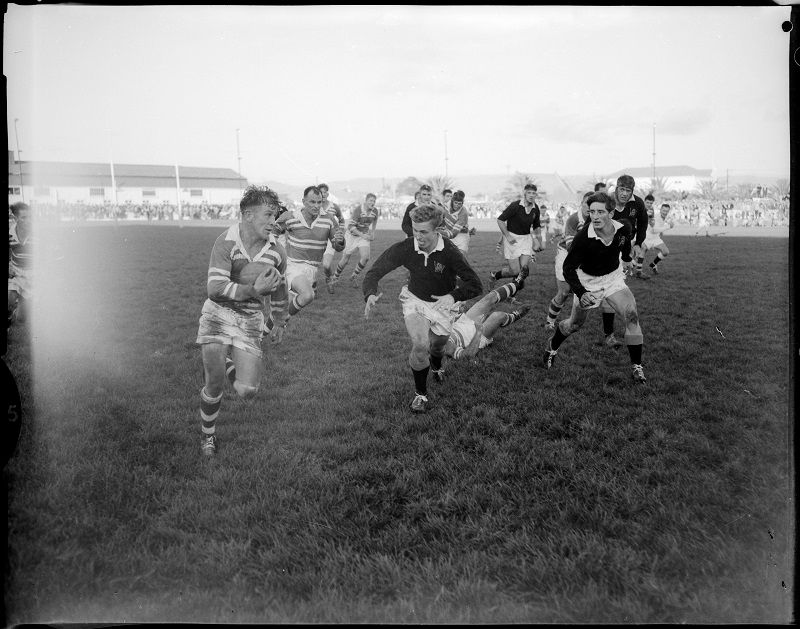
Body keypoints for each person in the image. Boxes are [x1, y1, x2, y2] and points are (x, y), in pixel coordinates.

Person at [195, 185, 288, 457]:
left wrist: (280, 321)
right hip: (218, 314)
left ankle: (229, 363)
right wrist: (253, 291)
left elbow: (281, 288)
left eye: (276, 215)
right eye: (268, 215)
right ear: (247, 215)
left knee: (247, 390)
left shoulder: (277, 251)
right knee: (214, 382)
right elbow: (214, 288)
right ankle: (207, 437)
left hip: (249, 320)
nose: (274, 221)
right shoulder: (226, 241)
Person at [363, 204, 482, 412]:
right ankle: (421, 395)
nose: (418, 236)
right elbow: (375, 271)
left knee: (437, 348)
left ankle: (436, 365)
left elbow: (475, 284)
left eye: (424, 231)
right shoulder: (407, 247)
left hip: (443, 306)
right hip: (415, 300)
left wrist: (452, 296)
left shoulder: (450, 253)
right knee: (420, 344)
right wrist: (370, 293)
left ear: (437, 229)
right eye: (415, 230)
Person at [542, 191, 647, 384]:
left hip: (613, 278)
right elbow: (568, 269)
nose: (595, 216)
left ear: (611, 213)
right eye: (592, 212)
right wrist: (581, 293)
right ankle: (552, 347)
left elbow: (623, 245)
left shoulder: (623, 228)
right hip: (588, 282)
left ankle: (637, 367)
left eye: (600, 212)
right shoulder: (583, 238)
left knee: (631, 315)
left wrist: (626, 259)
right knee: (574, 325)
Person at [268, 185, 345, 333]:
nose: (316, 206)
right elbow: (273, 231)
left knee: (280, 311)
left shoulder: (329, 220)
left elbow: (337, 246)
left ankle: (258, 337)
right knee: (308, 295)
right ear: (303, 201)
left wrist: (340, 241)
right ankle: (280, 322)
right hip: (292, 265)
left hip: (311, 271)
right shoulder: (290, 217)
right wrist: (273, 250)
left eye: (319, 202)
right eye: (312, 202)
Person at [444, 280, 530, 360]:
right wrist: (478, 330)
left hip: (462, 322)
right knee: (498, 316)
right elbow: (467, 355)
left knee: (490, 298)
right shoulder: (443, 343)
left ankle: (517, 283)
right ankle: (516, 315)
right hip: (474, 337)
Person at [544, 191, 591, 331]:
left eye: (592, 204)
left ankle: (573, 322)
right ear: (581, 204)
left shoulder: (597, 218)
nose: (589, 207)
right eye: (586, 204)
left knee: (582, 291)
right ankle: (549, 322)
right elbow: (571, 247)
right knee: (564, 292)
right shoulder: (573, 219)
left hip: (582, 255)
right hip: (566, 253)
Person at [489, 183, 543, 288]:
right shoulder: (515, 206)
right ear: (524, 193)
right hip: (512, 239)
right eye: (529, 193)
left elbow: (537, 226)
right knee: (514, 271)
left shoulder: (535, 208)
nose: (531, 195)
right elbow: (500, 220)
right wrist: (508, 236)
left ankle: (512, 295)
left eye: (534, 193)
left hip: (526, 239)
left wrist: (538, 240)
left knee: (524, 270)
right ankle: (494, 275)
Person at [331, 192, 380, 287]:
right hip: (351, 236)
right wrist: (362, 235)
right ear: (365, 201)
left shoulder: (375, 211)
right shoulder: (358, 210)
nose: (372, 203)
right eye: (370, 200)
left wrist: (373, 232)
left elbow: (375, 220)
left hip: (363, 235)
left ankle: (354, 276)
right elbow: (350, 226)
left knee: (365, 257)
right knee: (345, 259)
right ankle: (335, 277)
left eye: (374, 201)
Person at [318, 183, 346, 293]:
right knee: (313, 266)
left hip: (330, 239)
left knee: (326, 265)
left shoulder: (334, 207)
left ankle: (329, 280)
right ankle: (313, 286)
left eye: (325, 192)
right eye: (321, 192)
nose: (323, 194)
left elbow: (342, 220)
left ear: (328, 194)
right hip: (316, 239)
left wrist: (340, 232)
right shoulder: (315, 206)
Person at [8, 202, 33, 327]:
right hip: (15, 273)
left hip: (33, 276)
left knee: (21, 319)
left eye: (30, 217)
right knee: (9, 300)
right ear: (15, 218)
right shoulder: (10, 232)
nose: (28, 220)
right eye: (24, 218)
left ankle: (22, 299)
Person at [642, 202, 674, 275]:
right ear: (660, 210)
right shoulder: (655, 217)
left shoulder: (665, 217)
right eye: (663, 210)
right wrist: (668, 227)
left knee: (665, 251)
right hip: (647, 238)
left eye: (667, 211)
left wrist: (670, 224)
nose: (665, 212)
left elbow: (660, 228)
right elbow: (654, 230)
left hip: (656, 238)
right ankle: (627, 269)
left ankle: (653, 264)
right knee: (639, 256)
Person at [440, 190, 472, 255]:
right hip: (448, 233)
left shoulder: (463, 213)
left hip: (461, 237)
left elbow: (453, 234)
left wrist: (437, 232)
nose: (457, 205)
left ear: (462, 203)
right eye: (456, 203)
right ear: (452, 201)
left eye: (459, 203)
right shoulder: (446, 206)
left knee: (460, 259)